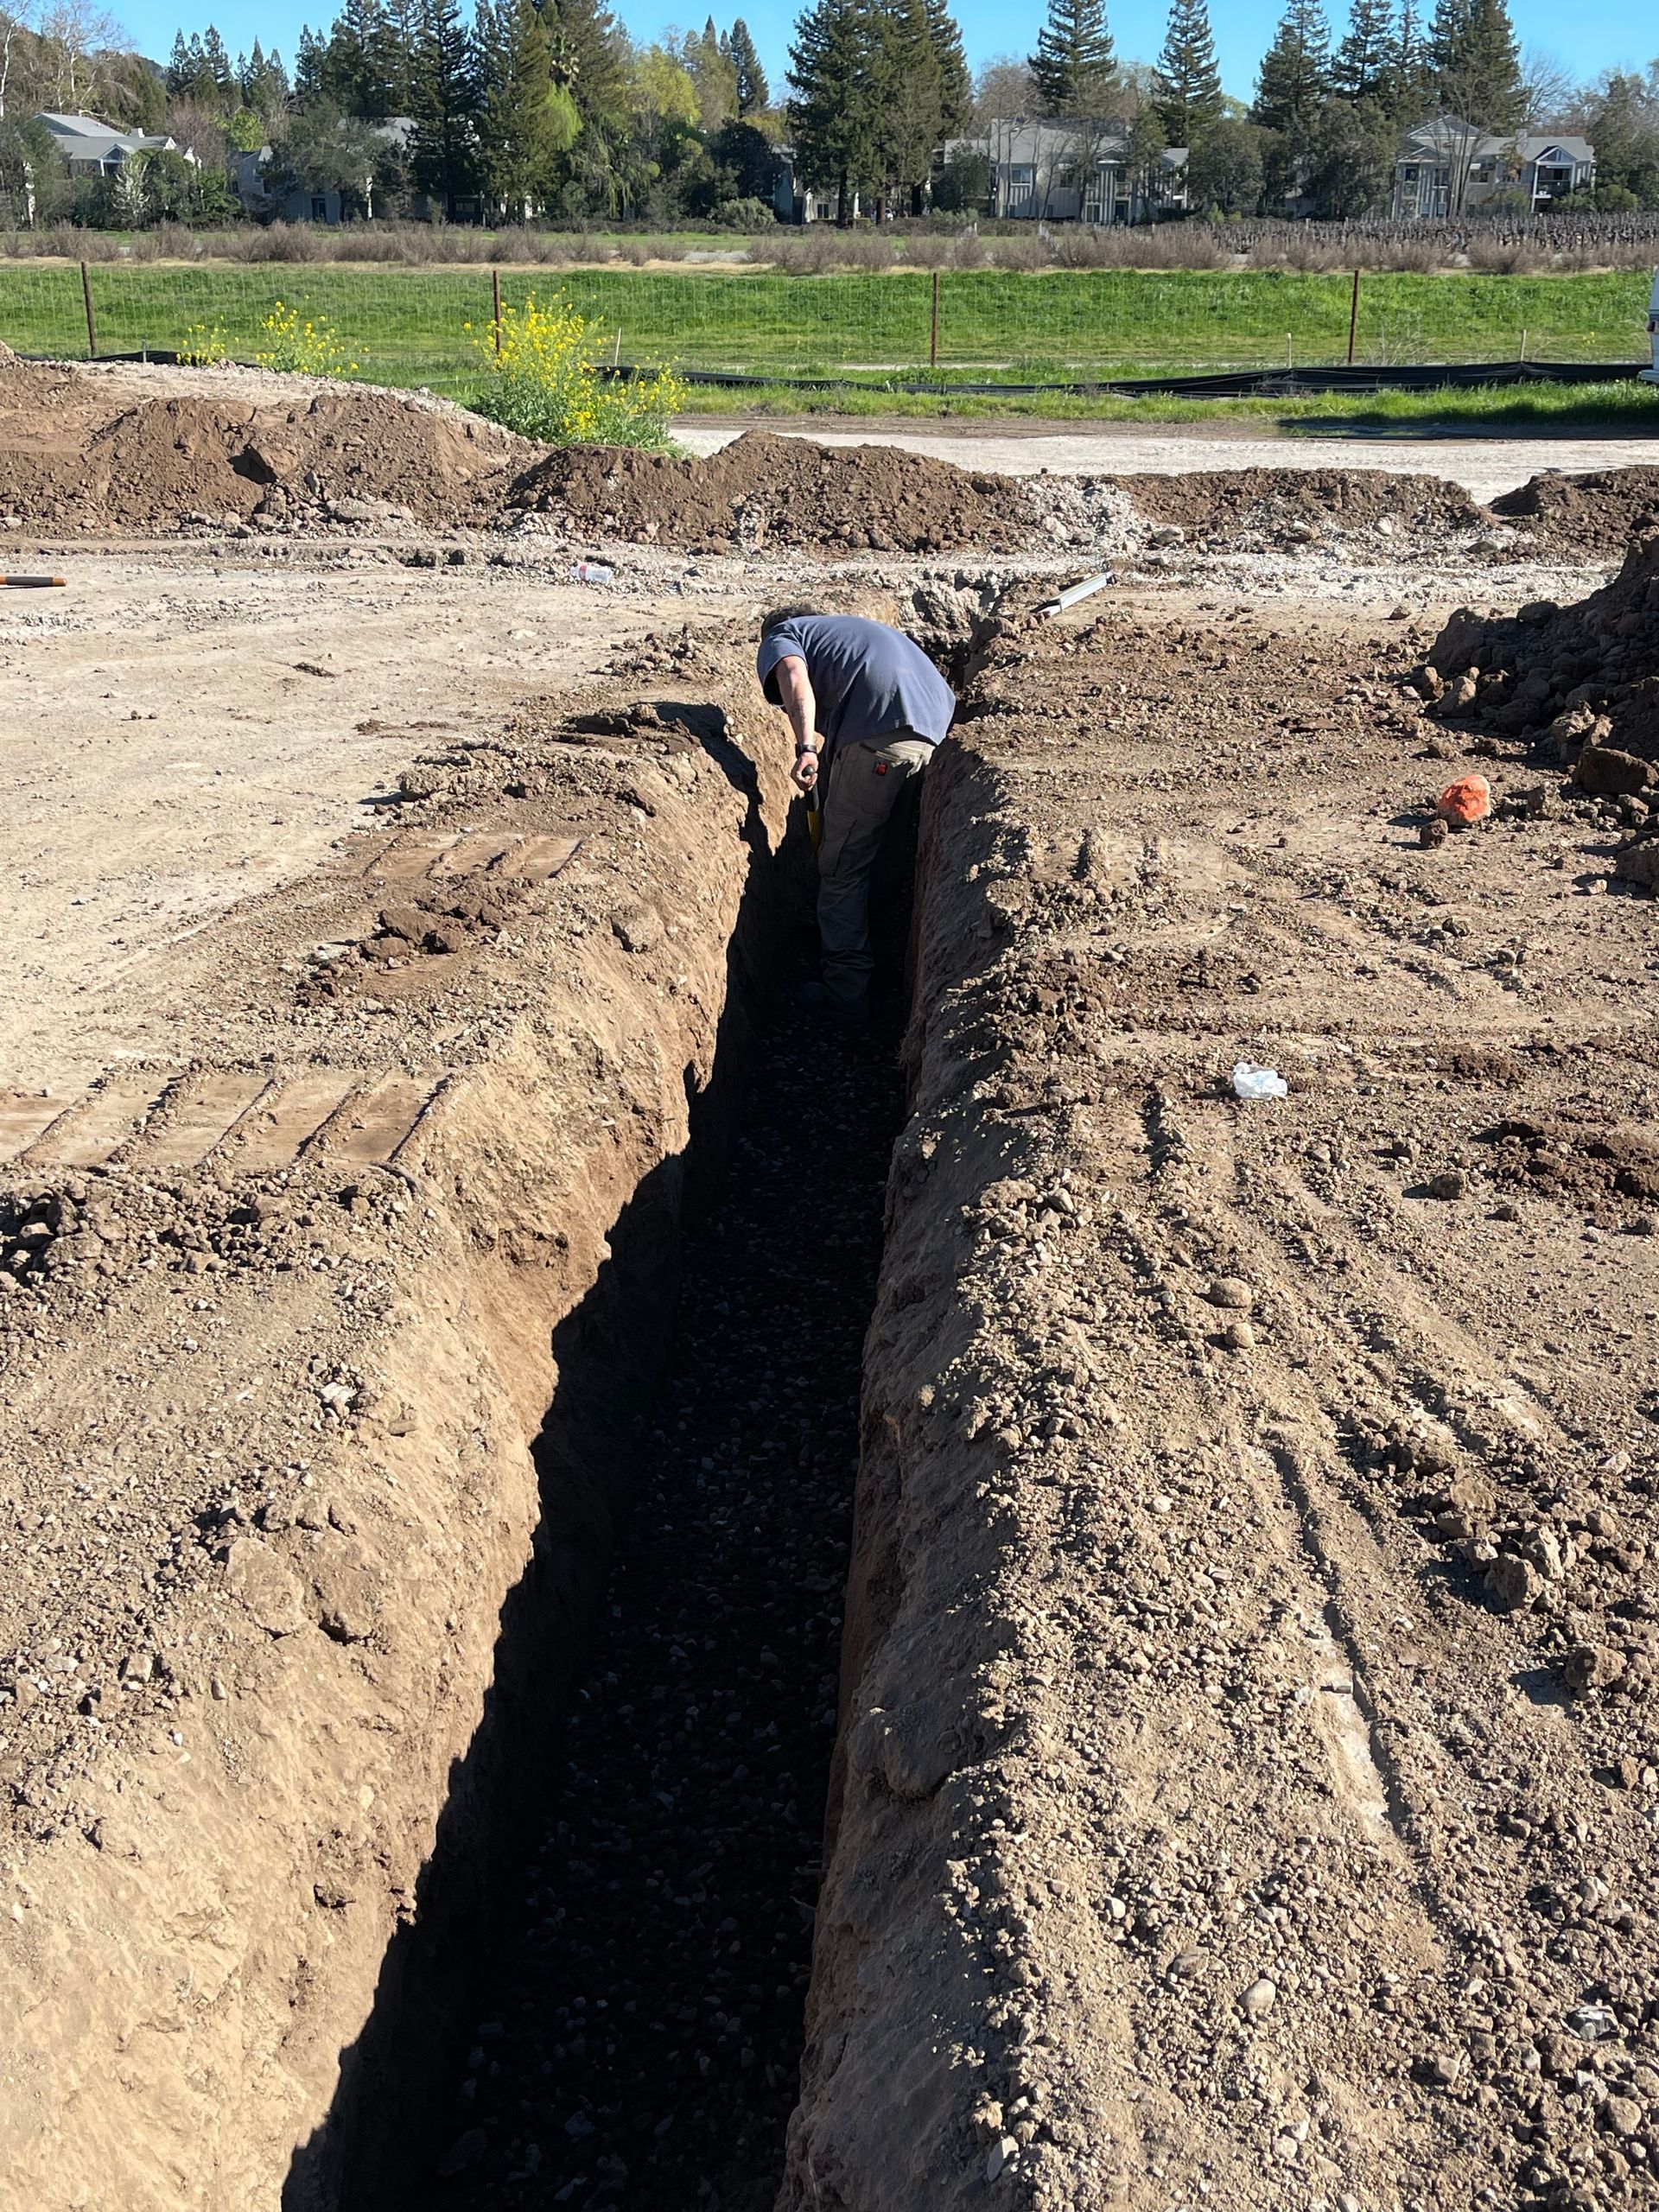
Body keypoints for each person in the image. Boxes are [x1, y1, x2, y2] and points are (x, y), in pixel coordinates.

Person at [757, 607, 957, 1025]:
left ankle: (845, 989)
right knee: (882, 853)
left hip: (879, 740)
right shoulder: (854, 634)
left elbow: (792, 674)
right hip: (929, 737)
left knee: (842, 863)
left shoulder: (785, 633)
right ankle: (876, 955)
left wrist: (806, 748)